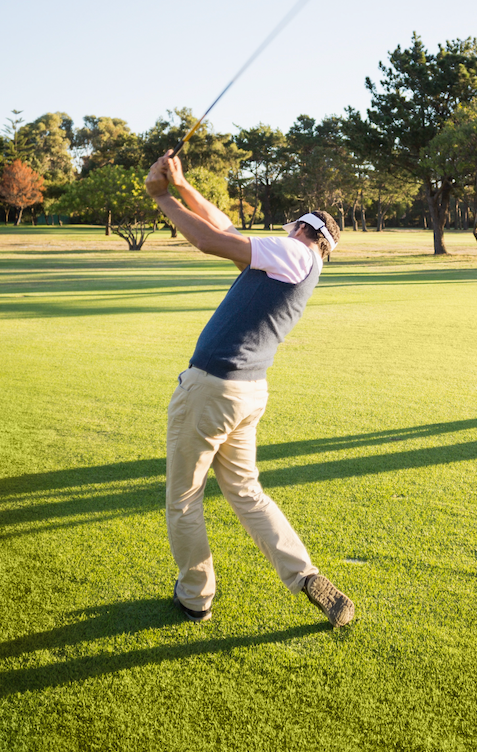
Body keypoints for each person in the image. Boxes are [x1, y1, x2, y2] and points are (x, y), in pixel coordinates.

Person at [145, 150, 355, 627]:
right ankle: (304, 575)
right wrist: (182, 185)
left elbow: (207, 240)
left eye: (291, 226)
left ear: (302, 230)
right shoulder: (297, 263)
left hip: (212, 390)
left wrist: (162, 198)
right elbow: (227, 230)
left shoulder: (293, 252)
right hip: (245, 393)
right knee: (245, 491)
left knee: (183, 500)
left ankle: (195, 597)